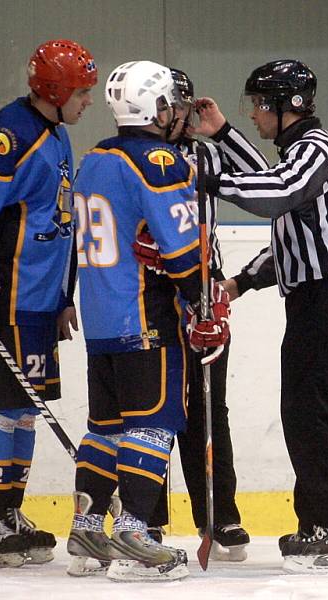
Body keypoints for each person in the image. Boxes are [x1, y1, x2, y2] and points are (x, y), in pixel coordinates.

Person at [199, 60, 328, 574]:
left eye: (257, 104)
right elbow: (282, 214)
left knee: (312, 413)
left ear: (285, 105)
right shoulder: (301, 151)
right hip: (321, 295)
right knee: (309, 411)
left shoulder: (316, 150)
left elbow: (276, 194)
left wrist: (208, 176)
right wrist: (223, 135)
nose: (251, 113)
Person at [64, 60, 230, 582]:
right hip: (146, 317)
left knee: (105, 428)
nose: (177, 111)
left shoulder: (93, 159)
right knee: (153, 423)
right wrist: (204, 305)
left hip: (100, 320)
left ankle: (88, 527)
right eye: (171, 103)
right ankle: (135, 533)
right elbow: (182, 248)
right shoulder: (157, 160)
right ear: (156, 108)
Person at [0, 39, 97, 568]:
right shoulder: (14, 134)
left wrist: (63, 297)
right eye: (81, 90)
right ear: (55, 90)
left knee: (26, 411)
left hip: (38, 302)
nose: (88, 100)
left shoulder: (55, 133)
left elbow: (58, 221)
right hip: (5, 299)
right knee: (1, 408)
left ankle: (8, 513)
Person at [140, 68, 270, 561]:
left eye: (185, 104)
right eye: (174, 104)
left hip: (203, 285)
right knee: (150, 407)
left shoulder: (206, 156)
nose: (180, 114)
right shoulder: (130, 157)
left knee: (209, 408)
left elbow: (263, 179)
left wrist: (222, 131)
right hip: (149, 292)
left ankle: (221, 517)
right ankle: (144, 518)